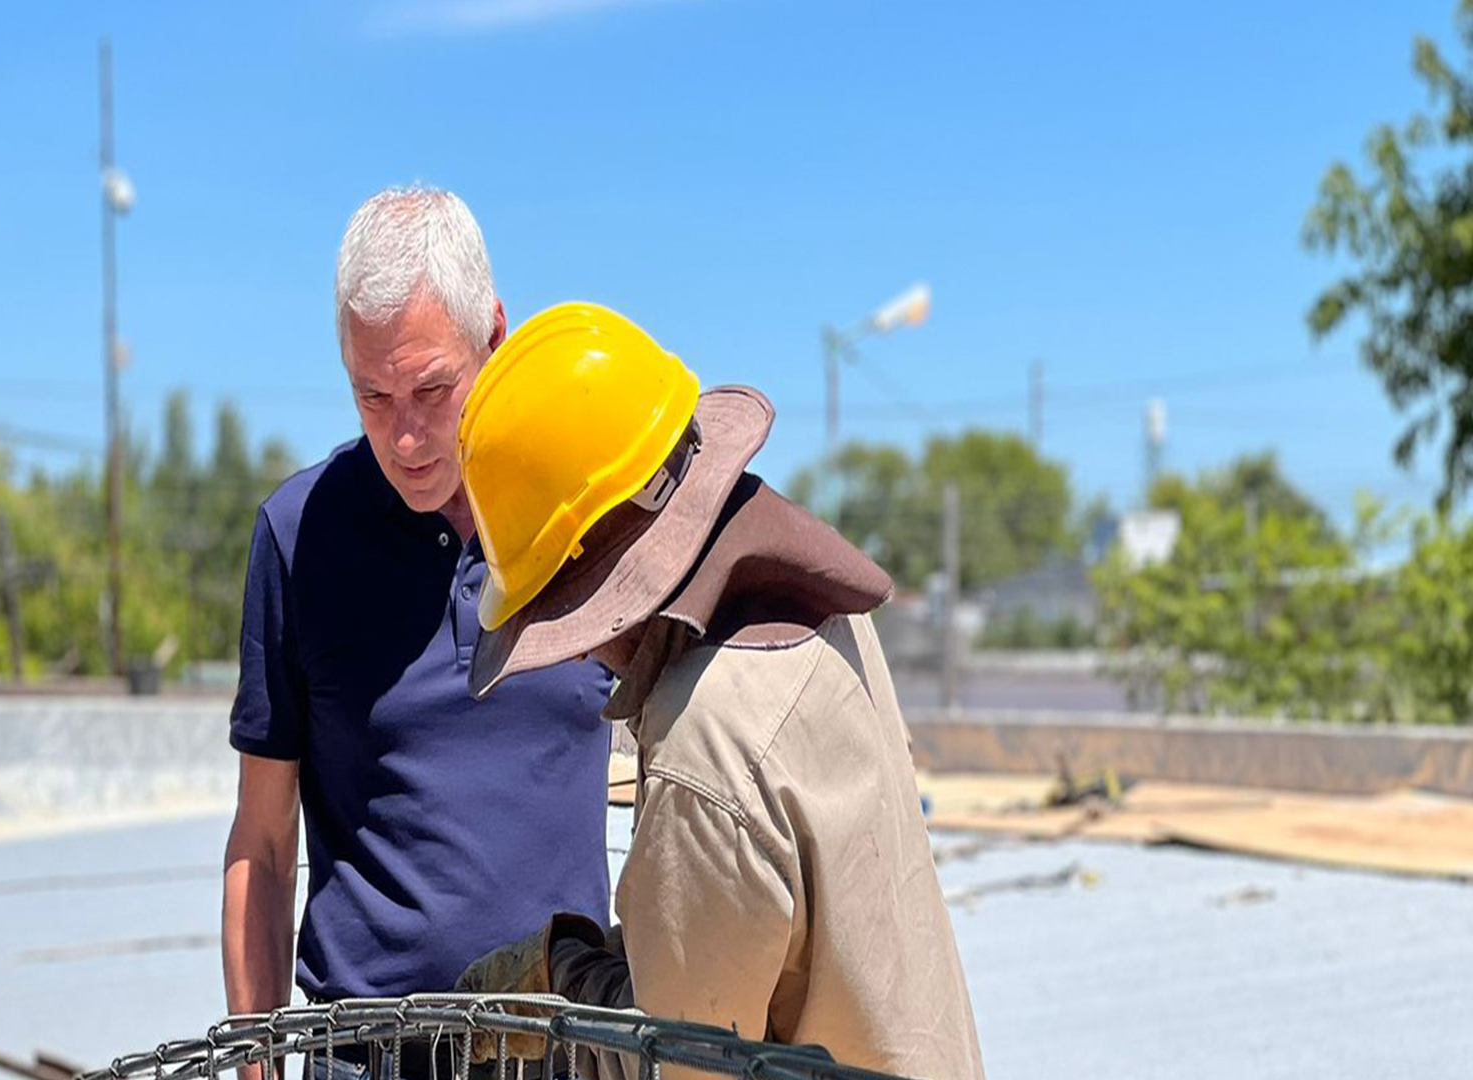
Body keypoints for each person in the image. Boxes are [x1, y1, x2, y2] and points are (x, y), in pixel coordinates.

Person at [453, 302, 985, 1080]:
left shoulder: (707, 745)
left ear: (596, 583)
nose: (587, 651)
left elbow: (676, 1065)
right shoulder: (822, 615)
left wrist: (566, 977)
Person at [221, 190, 616, 1080]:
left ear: (497, 339)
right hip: (359, 1059)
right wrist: (255, 1064)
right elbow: (263, 841)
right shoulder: (298, 536)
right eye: (372, 394)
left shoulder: (586, 514)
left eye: (433, 389)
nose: (404, 436)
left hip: (565, 1053)